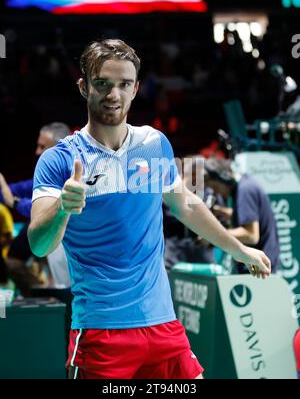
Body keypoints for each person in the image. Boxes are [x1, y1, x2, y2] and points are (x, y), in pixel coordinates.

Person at [28, 39, 271, 380]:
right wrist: (62, 209)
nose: (114, 94)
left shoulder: (153, 145)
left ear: (136, 88)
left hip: (163, 324)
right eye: (102, 84)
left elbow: (186, 205)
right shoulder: (60, 160)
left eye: (123, 84)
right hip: (102, 332)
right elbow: (39, 244)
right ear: (84, 87)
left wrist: (241, 249)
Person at [0, 122, 71, 295]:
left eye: (42, 146)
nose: (37, 151)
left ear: (59, 146)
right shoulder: (44, 179)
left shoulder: (74, 176)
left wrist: (15, 203)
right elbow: (11, 193)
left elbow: (49, 209)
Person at [204, 158, 280, 273]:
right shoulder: (246, 183)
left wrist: (210, 236)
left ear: (224, 178)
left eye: (215, 187)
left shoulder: (245, 190)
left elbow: (251, 235)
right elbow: (248, 217)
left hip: (258, 268)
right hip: (260, 264)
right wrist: (221, 211)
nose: (216, 193)